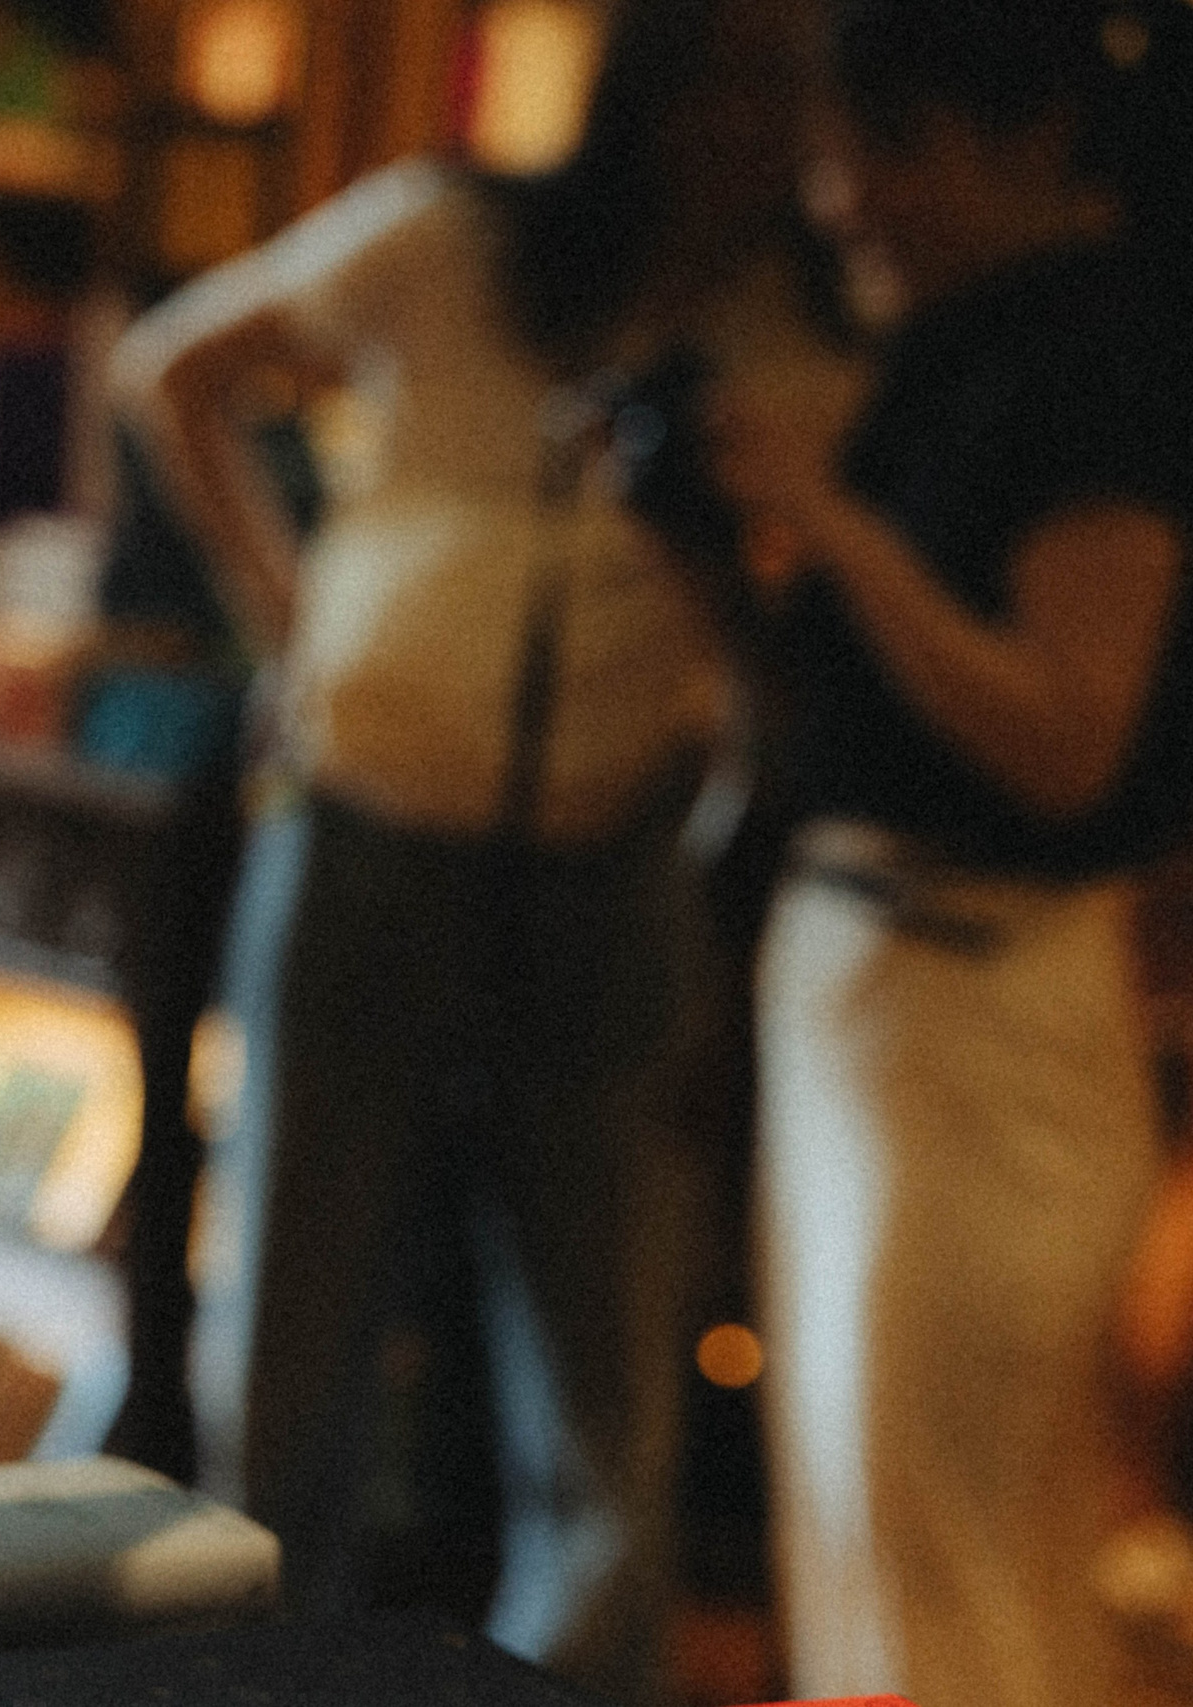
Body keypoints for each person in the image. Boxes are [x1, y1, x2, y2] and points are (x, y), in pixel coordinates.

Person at [111, 0, 847, 1693]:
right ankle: (270, 1677)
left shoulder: (794, 336)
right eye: (719, 81)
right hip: (371, 830)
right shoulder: (446, 236)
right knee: (291, 1329)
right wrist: (293, 616)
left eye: (778, 92)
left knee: (605, 1360)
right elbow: (173, 372)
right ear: (644, 91)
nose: (744, 130)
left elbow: (795, 651)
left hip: (610, 860)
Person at [708, 2, 1193, 1701]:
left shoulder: (1111, 355)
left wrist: (831, 516)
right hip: (871, 979)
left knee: (955, 1558)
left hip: (980, 999)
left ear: (1037, 135)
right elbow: (859, 731)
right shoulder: (956, 337)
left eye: (884, 147)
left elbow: (1068, 739)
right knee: (861, 1531)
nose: (839, 197)